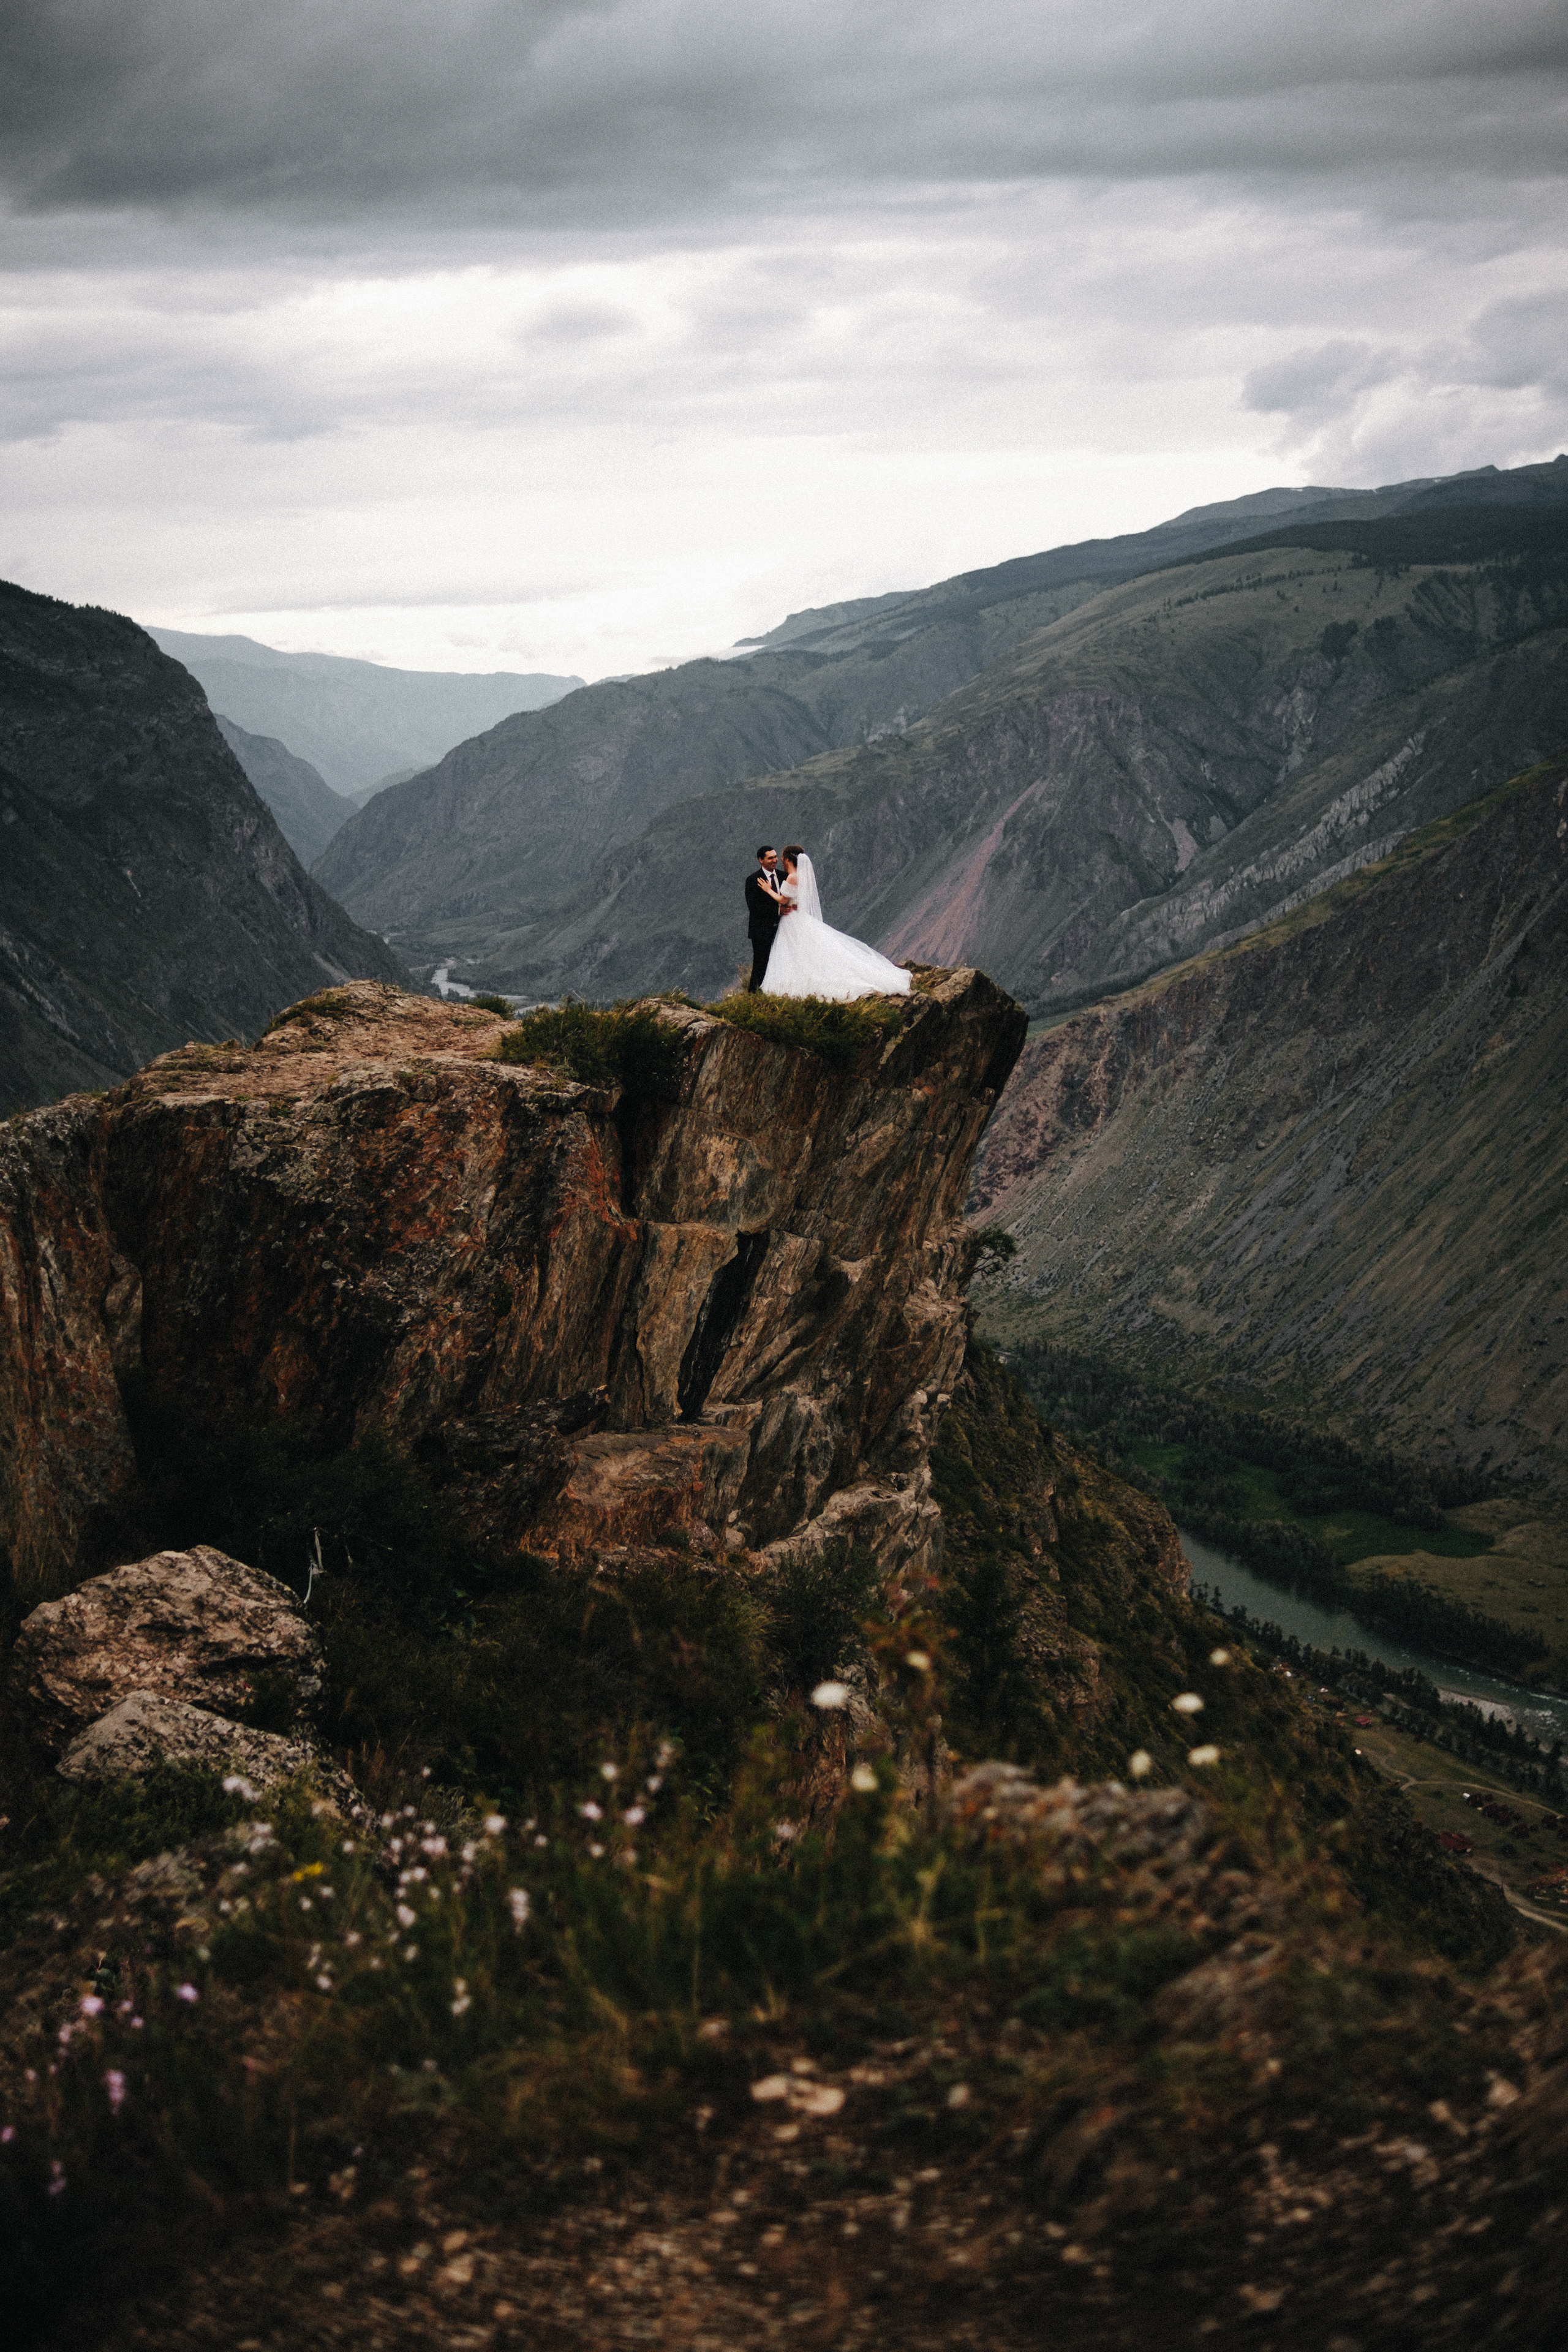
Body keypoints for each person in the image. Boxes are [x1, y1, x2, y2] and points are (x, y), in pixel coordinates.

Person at [761, 846, 911, 1001]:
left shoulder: (792, 877)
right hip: (798, 916)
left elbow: (783, 900)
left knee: (793, 953)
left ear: (787, 859)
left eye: (782, 859)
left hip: (792, 920)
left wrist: (768, 890)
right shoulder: (802, 876)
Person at [744, 845, 788, 991]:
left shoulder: (784, 876)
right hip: (761, 930)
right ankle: (753, 995)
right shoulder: (753, 880)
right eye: (771, 858)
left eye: (776, 857)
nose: (775, 860)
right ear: (761, 860)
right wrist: (778, 910)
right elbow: (754, 907)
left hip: (783, 929)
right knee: (761, 964)